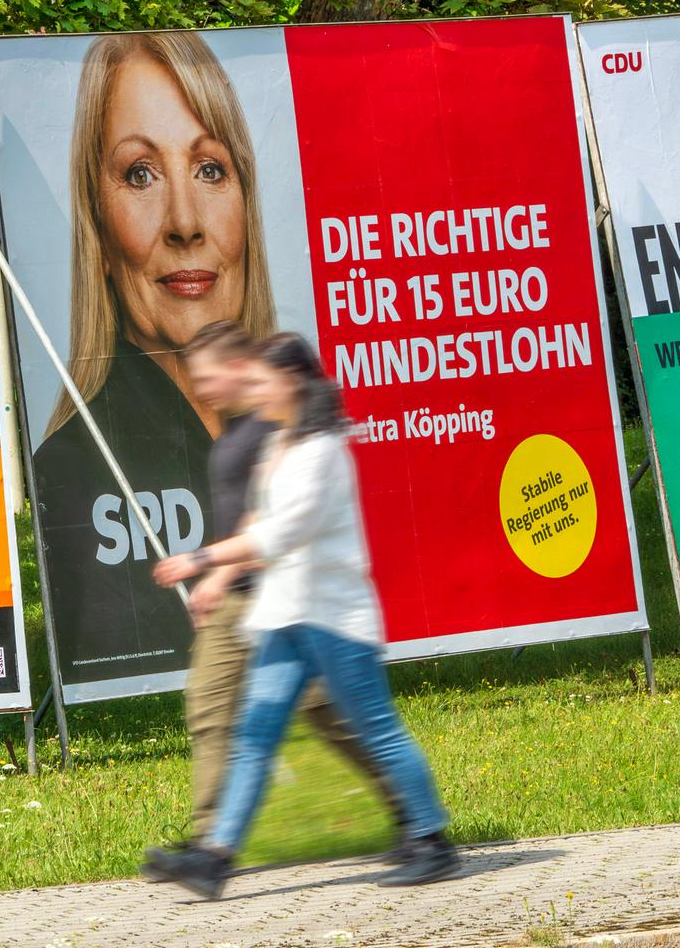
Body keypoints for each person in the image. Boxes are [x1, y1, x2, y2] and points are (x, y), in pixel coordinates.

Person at [144, 333, 459, 899]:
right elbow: (261, 526)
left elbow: (283, 532)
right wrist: (218, 573)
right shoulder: (281, 444)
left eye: (262, 380)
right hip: (284, 617)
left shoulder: (322, 451)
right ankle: (213, 860)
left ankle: (431, 840)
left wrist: (201, 558)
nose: (253, 389)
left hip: (333, 619)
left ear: (290, 382)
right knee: (254, 735)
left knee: (377, 731)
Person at [31, 31, 278, 687]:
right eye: (140, 174)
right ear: (99, 228)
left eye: (210, 169)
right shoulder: (74, 468)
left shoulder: (299, 426)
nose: (185, 223)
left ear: (246, 205)